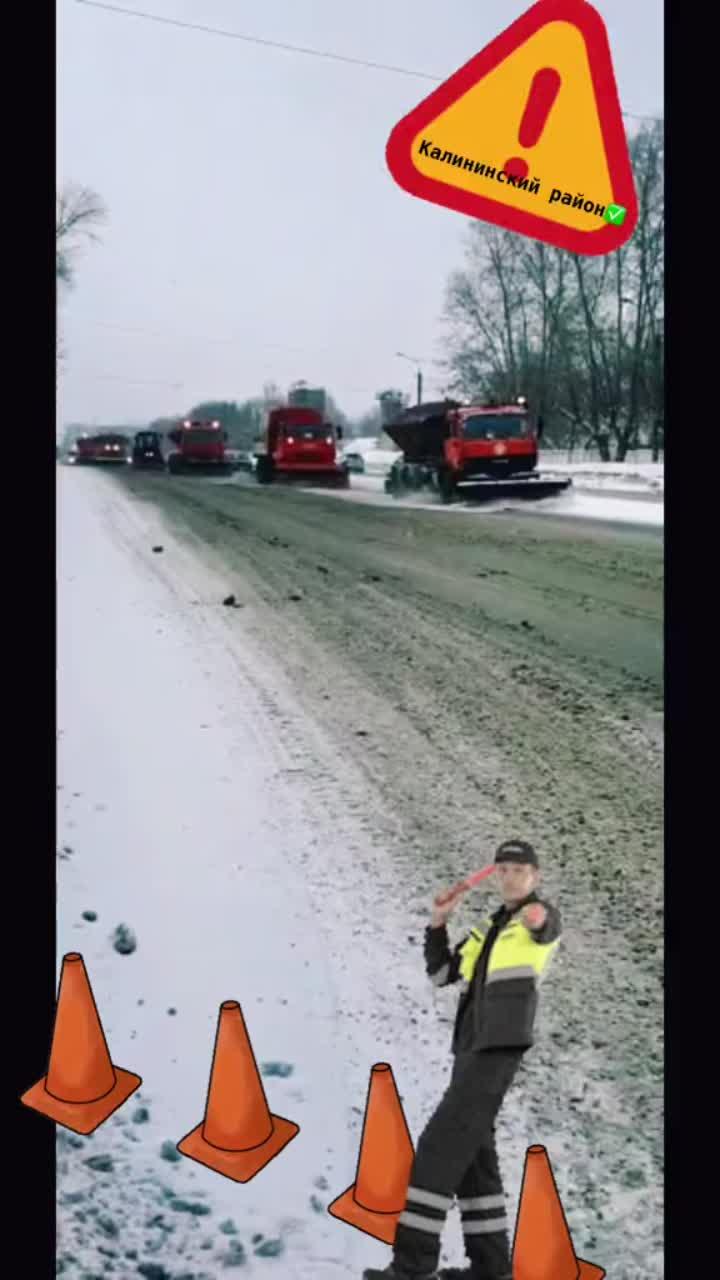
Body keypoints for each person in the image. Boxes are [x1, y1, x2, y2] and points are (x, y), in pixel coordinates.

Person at [363, 839, 562, 1280]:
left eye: (520, 870)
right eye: (504, 869)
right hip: (469, 1050)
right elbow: (440, 974)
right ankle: (492, 1269)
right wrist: (440, 920)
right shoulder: (486, 930)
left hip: (498, 1048)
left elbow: (545, 926)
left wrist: (538, 915)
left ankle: (412, 1267)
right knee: (475, 1160)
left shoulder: (534, 920)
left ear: (535, 876)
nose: (511, 876)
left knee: (438, 1148)